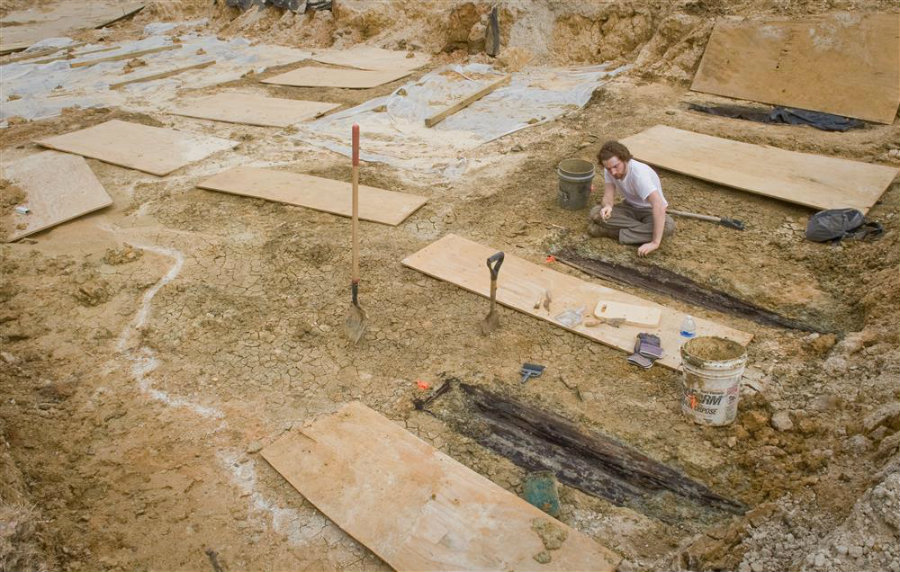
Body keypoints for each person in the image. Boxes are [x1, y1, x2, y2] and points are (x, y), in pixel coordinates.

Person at [588, 140, 675, 256]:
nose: (612, 172)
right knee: (596, 212)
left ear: (625, 159)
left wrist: (655, 242)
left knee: (667, 227)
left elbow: (658, 205)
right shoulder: (609, 169)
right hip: (629, 207)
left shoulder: (639, 175)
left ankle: (610, 232)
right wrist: (608, 206)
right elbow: (608, 195)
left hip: (649, 211)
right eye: (609, 168)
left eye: (615, 166)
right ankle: (638, 232)